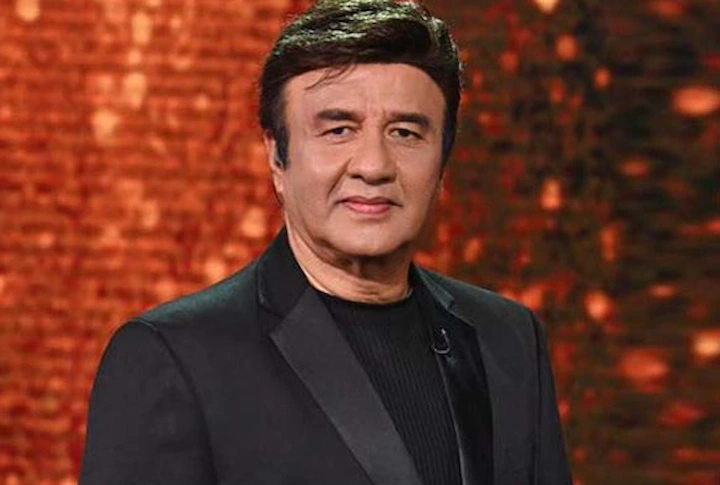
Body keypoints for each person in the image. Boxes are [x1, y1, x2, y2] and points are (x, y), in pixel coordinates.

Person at [79, 1, 573, 484]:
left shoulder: (509, 338)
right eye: (338, 130)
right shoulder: (174, 356)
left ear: (443, 159)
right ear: (277, 156)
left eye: (405, 133)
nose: (373, 166)